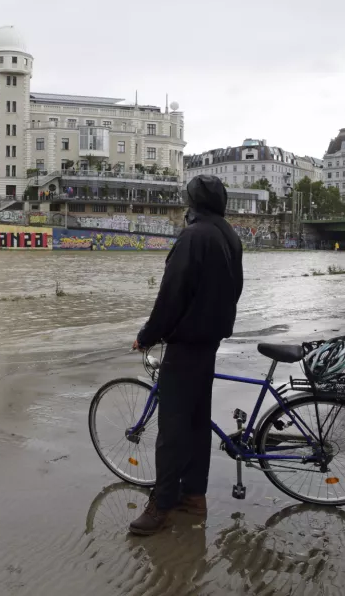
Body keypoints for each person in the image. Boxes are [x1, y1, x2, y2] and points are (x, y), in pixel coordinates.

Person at [129, 175, 243, 536]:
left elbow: (171, 295)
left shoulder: (193, 237)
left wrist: (148, 335)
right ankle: (194, 496)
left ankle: (161, 504)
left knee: (173, 429)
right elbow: (235, 287)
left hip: (186, 343)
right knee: (196, 424)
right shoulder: (228, 235)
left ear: (191, 203)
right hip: (209, 340)